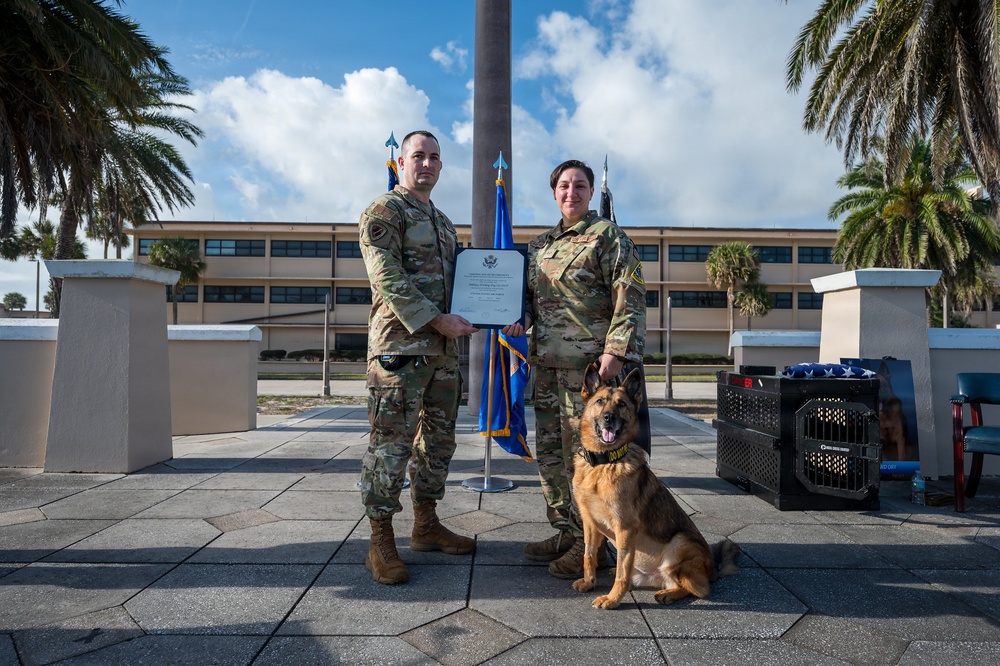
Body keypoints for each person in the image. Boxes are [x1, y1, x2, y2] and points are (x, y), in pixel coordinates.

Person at [503, 159, 646, 579]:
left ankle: (595, 545)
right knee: (551, 456)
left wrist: (616, 352)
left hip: (591, 375)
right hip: (546, 368)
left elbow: (630, 295)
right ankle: (567, 529)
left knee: (591, 461)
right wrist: (519, 318)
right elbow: (529, 300)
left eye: (579, 185)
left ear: (589, 191)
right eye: (564, 186)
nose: (572, 192)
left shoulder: (608, 237)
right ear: (554, 193)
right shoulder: (540, 245)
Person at [357, 130, 479, 585]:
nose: (426, 163)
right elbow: (386, 275)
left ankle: (426, 524)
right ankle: (380, 539)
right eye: (417, 156)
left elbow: (460, 286)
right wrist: (434, 319)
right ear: (401, 162)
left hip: (443, 354)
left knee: (439, 443)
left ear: (441, 166)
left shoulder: (445, 222)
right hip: (400, 350)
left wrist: (490, 312)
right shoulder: (384, 210)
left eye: (434, 157)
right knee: (391, 446)